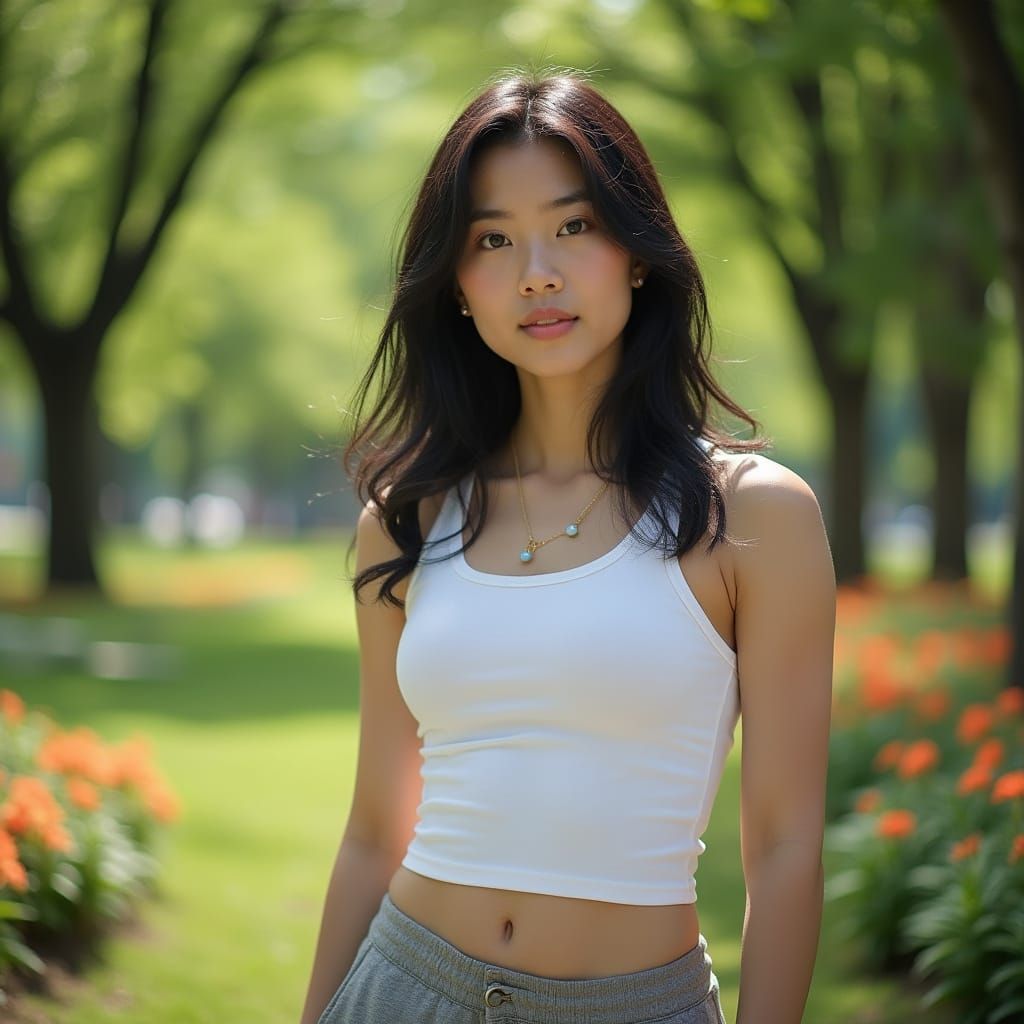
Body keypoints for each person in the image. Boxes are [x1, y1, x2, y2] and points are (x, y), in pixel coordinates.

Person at [300, 68, 836, 1024]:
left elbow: (787, 843)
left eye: (574, 226)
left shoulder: (752, 516)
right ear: (457, 286)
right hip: (402, 987)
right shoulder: (407, 516)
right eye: (493, 240)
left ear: (638, 252)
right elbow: (377, 830)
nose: (535, 272)